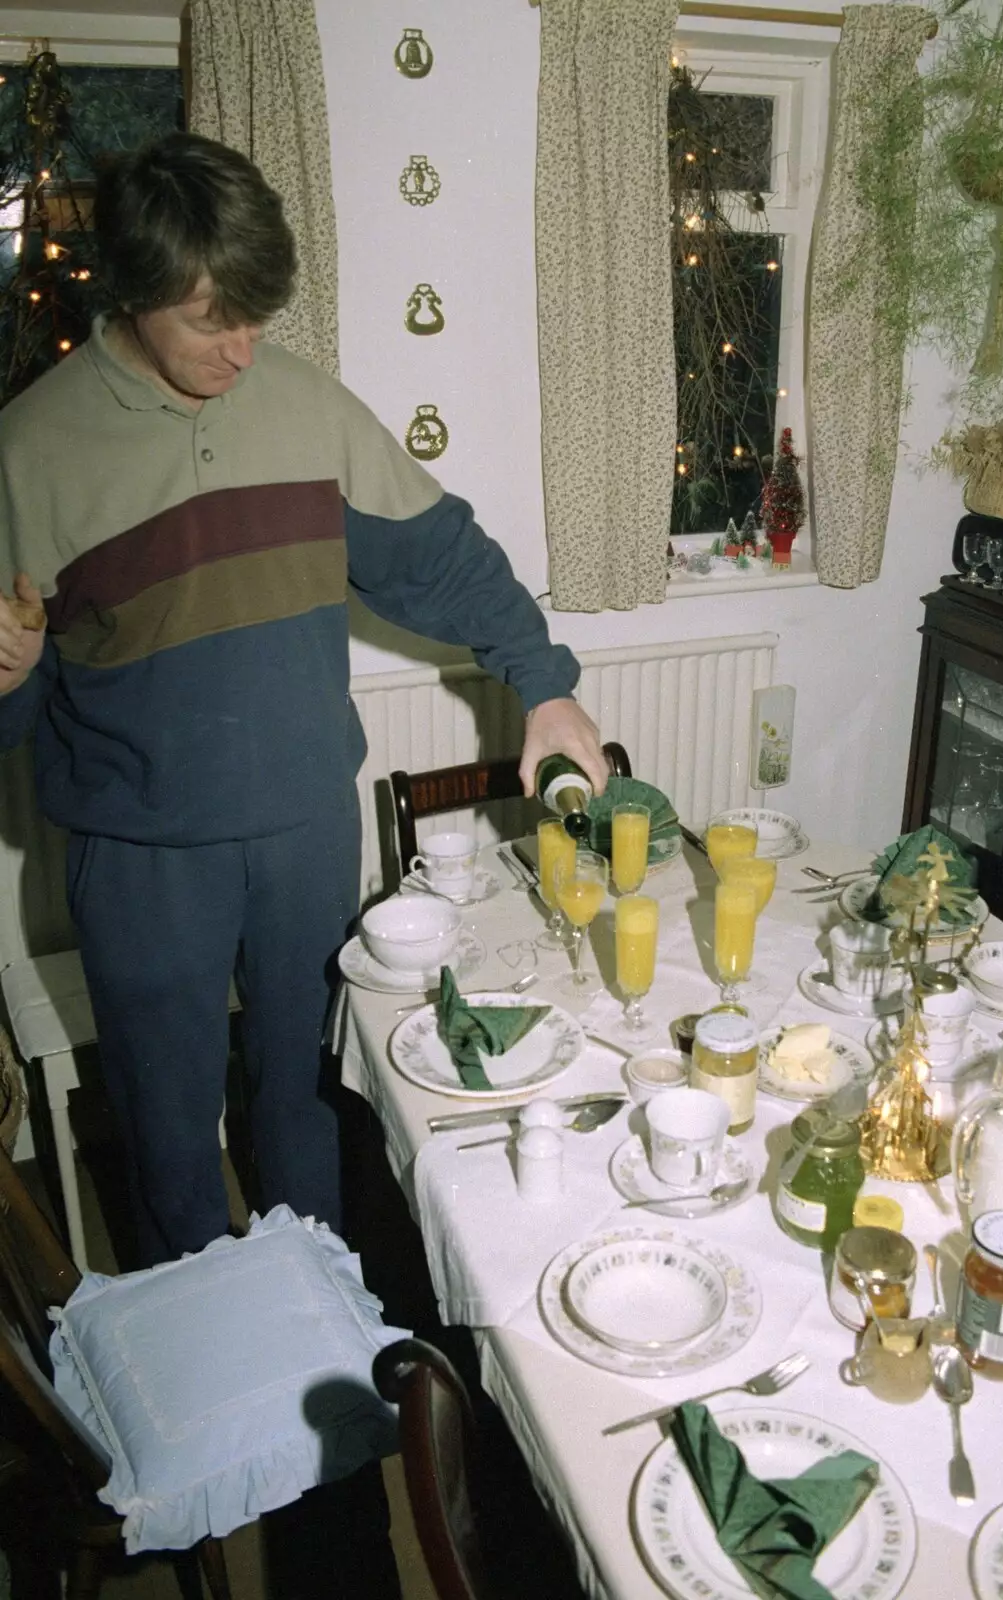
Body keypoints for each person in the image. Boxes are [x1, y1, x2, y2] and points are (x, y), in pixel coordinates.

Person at [0, 131, 607, 1268]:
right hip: (139, 858)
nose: (240, 347)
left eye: (255, 317)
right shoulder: (27, 452)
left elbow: (442, 559)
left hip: (303, 828)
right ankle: (216, 1363)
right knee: (169, 1134)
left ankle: (332, 1336)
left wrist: (545, 684)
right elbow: (10, 723)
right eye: (206, 319)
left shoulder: (306, 407)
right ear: (131, 297)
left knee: (312, 1097)